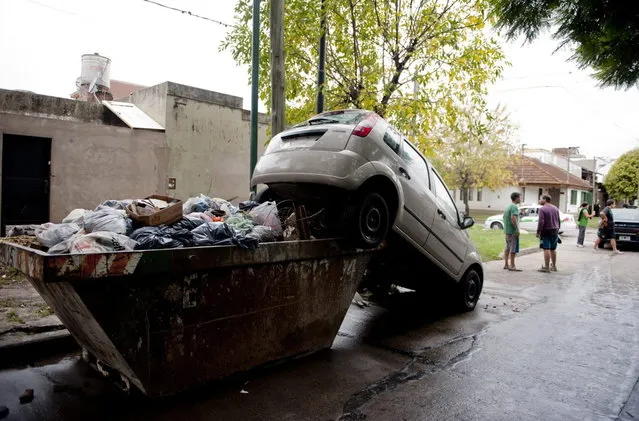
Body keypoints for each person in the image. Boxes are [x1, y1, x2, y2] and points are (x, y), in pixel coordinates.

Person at [536, 194, 561, 273]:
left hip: (546, 230)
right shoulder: (555, 208)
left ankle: (546, 267)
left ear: (545, 200)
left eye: (541, 199)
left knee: (546, 248)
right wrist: (558, 229)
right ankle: (554, 266)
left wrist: (538, 231)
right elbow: (558, 220)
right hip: (555, 230)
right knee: (553, 249)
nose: (540, 201)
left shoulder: (542, 209)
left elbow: (541, 221)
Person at [503, 192, 522, 271]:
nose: (520, 199)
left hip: (507, 231)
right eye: (520, 197)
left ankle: (506, 264)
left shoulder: (508, 207)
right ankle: (512, 265)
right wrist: (517, 229)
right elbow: (513, 218)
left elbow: (503, 216)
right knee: (513, 249)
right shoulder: (514, 207)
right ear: (516, 198)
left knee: (507, 247)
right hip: (513, 232)